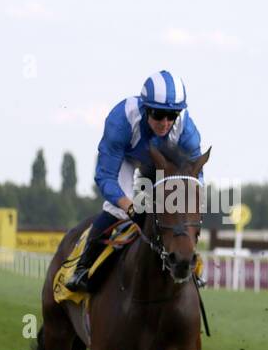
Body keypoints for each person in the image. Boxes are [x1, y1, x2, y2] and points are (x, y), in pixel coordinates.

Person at [65, 71, 201, 293]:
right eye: (158, 114)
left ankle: (189, 264)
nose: (165, 122)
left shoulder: (187, 130)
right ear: (146, 108)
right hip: (127, 159)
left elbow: (195, 174)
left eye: (172, 115)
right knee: (116, 210)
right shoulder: (121, 120)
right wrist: (128, 205)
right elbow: (105, 176)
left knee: (179, 208)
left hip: (164, 163)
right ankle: (83, 267)